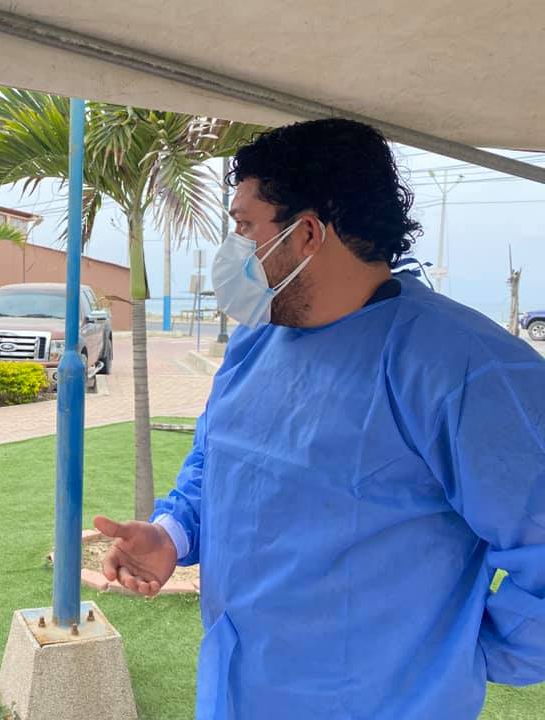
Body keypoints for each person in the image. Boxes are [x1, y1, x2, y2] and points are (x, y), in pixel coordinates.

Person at [95, 118, 545, 719]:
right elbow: (215, 462)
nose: (234, 248)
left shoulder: (464, 368)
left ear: (307, 232)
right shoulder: (257, 341)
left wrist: (456, 655)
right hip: (239, 691)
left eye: (244, 227)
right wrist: (171, 534)